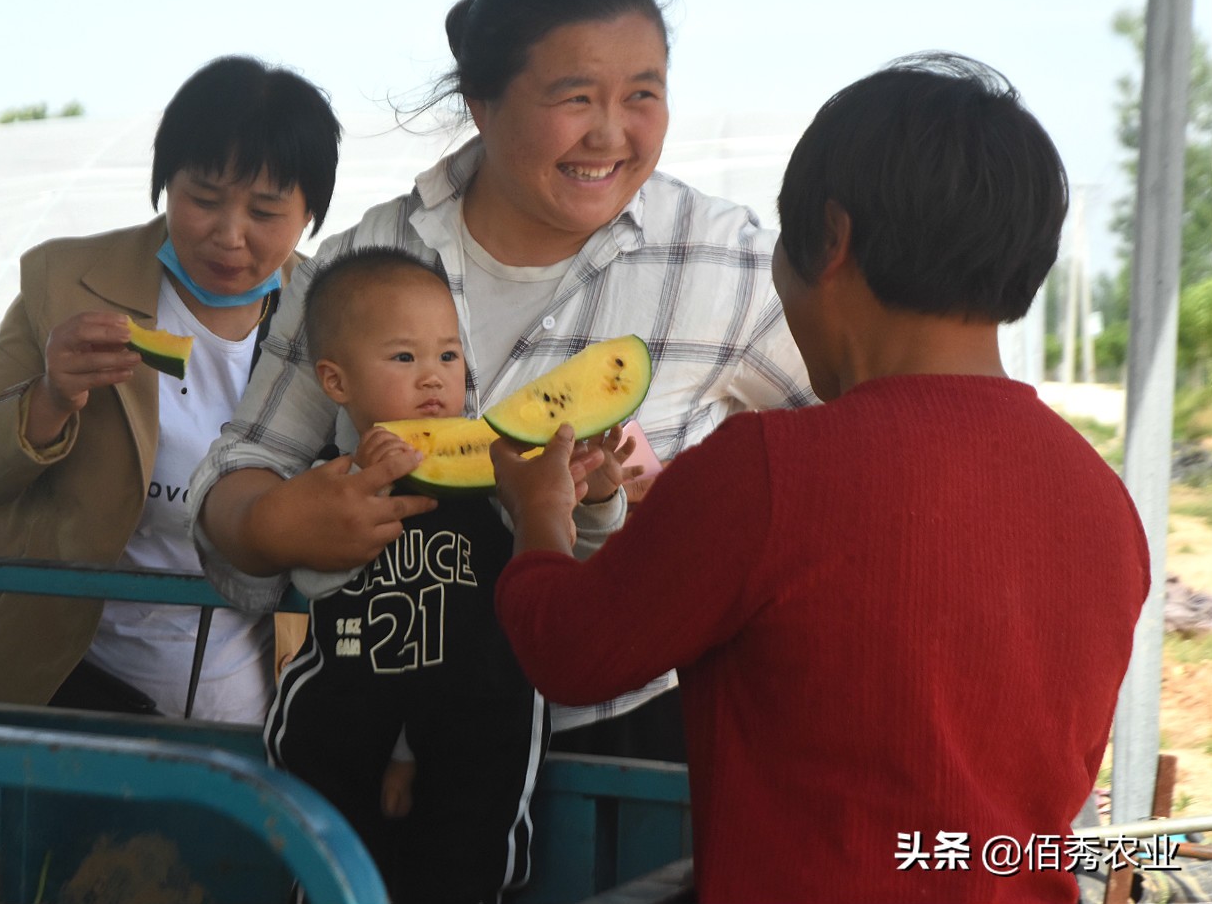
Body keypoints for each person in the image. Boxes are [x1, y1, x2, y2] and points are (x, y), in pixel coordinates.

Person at [490, 53, 1151, 903]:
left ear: (829, 240)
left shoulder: (770, 470)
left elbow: (570, 652)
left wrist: (539, 518)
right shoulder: (1104, 504)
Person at [189, 0, 814, 760]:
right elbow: (238, 471)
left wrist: (678, 502)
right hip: (397, 743)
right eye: (575, 97)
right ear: (483, 103)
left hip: (627, 736)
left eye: (641, 94)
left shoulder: (728, 262)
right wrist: (277, 523)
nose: (610, 133)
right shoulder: (361, 262)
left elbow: (840, 460)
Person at [0, 55, 341, 724]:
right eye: (202, 198)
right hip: (62, 697)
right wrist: (50, 398)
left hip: (250, 717)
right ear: (164, 182)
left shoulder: (335, 316)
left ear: (309, 212)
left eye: (264, 211)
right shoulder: (64, 281)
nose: (228, 235)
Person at [265, 247, 629, 903]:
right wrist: (359, 491)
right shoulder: (329, 483)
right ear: (336, 380)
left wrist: (594, 496)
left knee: (465, 872)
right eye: (403, 358)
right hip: (348, 720)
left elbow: (567, 551)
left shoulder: (499, 466)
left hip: (475, 725)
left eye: (448, 355)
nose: (433, 377)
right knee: (333, 875)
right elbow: (313, 586)